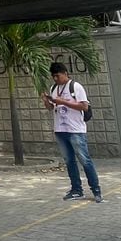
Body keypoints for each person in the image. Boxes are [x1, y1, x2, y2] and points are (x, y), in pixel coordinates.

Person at [43, 62, 100, 203]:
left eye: (58, 76)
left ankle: (96, 190)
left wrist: (62, 101)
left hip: (75, 130)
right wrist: (47, 101)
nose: (56, 79)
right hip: (60, 130)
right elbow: (51, 108)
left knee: (85, 160)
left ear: (65, 73)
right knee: (69, 161)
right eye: (53, 76)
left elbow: (84, 106)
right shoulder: (54, 88)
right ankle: (76, 190)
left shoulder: (75, 87)